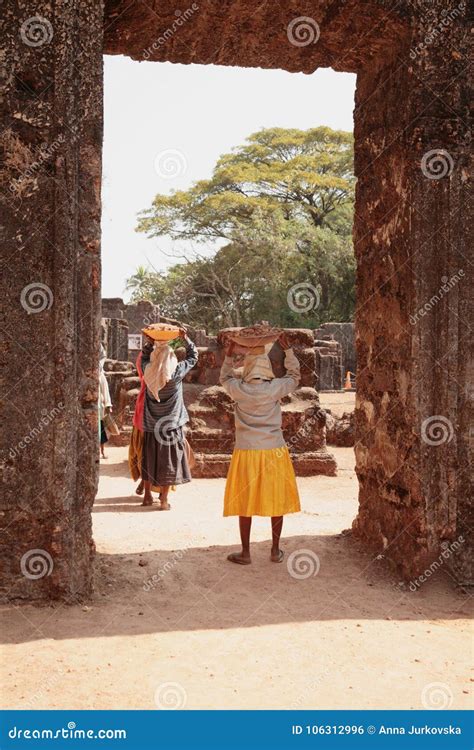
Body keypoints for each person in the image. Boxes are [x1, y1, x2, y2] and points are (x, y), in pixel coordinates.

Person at [220, 333, 301, 564]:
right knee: (276, 497)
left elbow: (224, 377)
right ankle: (275, 550)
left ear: (247, 368)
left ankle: (245, 553)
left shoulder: (238, 388)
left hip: (246, 451)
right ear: (266, 367)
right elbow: (295, 377)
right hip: (274, 450)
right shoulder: (275, 388)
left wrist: (229, 354)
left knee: (245, 501)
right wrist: (288, 351)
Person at [140, 328, 198, 509]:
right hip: (171, 425)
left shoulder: (147, 369)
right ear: (171, 357)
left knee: (150, 458)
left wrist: (150, 342)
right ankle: (163, 500)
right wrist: (185, 339)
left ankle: (147, 495)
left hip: (151, 423)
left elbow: (143, 357)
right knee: (168, 461)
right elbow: (193, 357)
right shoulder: (177, 371)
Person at [99, 348, 112, 459]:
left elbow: (105, 390)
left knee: (101, 431)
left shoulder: (100, 376)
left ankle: (102, 451)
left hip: (99, 407)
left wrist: (108, 405)